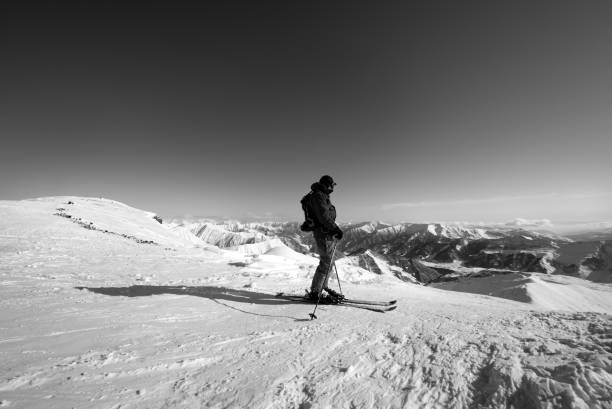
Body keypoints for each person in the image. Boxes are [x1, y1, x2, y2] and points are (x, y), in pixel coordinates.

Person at [306, 175, 344, 302]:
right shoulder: (318, 196)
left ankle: (322, 286)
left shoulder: (322, 195)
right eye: (332, 184)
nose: (333, 187)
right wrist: (335, 229)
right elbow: (324, 217)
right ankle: (315, 292)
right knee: (326, 263)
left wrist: (333, 230)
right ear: (327, 184)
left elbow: (325, 215)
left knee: (329, 262)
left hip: (327, 233)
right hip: (323, 233)